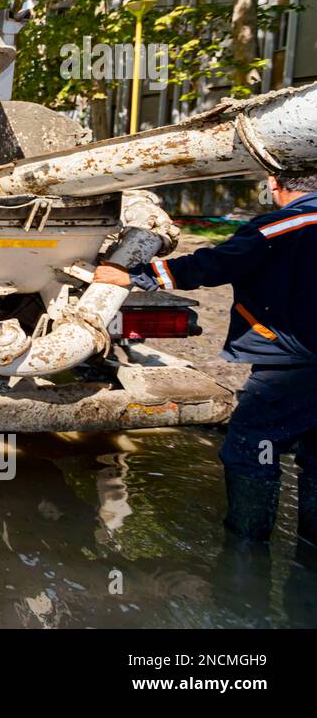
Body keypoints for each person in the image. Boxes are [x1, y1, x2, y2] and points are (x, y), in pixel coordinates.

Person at [95, 172, 317, 553]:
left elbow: (215, 264)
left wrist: (139, 275)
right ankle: (309, 553)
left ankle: (247, 553)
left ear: (273, 184)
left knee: (253, 444)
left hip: (295, 364)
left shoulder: (280, 226)